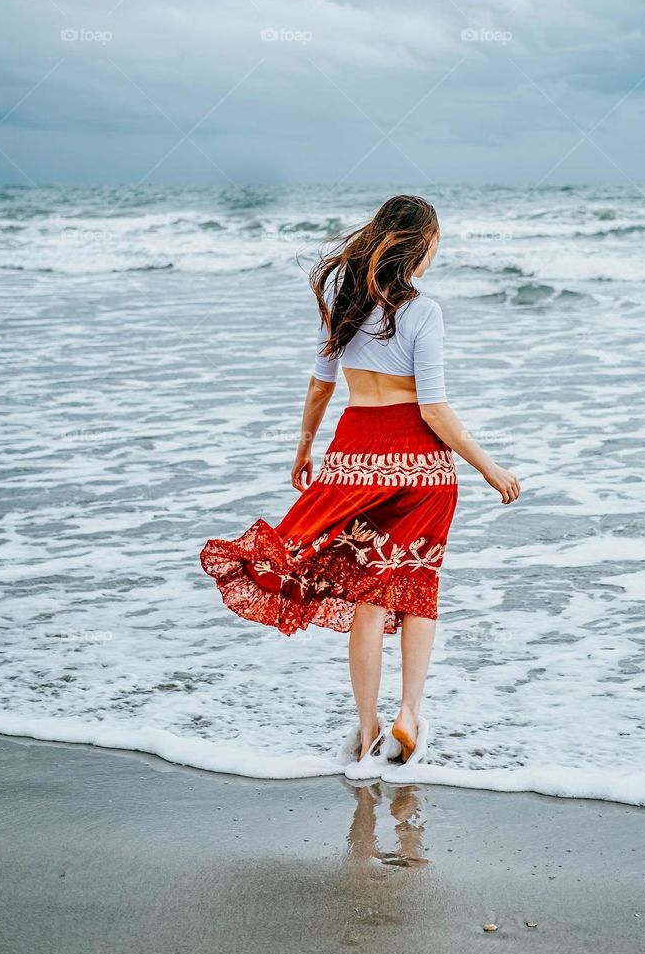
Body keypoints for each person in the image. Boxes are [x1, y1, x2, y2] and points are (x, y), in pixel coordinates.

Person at [200, 194, 520, 774]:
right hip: (421, 467)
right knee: (418, 588)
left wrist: (304, 447)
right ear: (418, 245)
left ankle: (369, 726)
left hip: (354, 455)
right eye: (435, 241)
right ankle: (410, 713)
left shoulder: (340, 304)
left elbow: (322, 386)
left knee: (369, 596)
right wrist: (488, 466)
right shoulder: (424, 311)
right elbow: (435, 411)